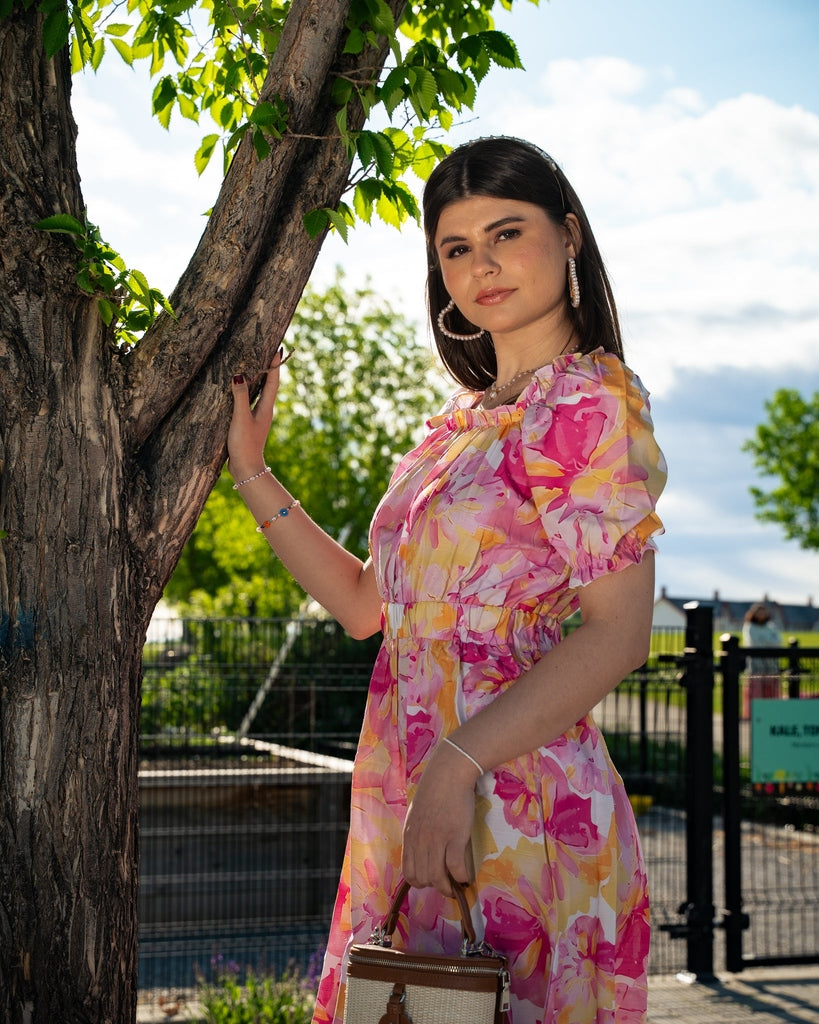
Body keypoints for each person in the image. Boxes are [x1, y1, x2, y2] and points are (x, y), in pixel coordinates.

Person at [228, 136, 667, 1024]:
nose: (481, 265)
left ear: (570, 236)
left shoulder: (583, 408)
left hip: (518, 800)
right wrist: (251, 470)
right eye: (456, 248)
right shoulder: (460, 428)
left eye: (507, 233)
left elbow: (618, 634)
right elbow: (364, 609)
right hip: (412, 799)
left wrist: (453, 769)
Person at [742, 602, 782, 715]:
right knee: (756, 691)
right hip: (756, 665)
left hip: (772, 666)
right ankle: (754, 714)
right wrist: (769, 640)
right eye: (759, 612)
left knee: (772, 691)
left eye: (763, 612)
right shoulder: (749, 627)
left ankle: (771, 714)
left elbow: (778, 642)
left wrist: (764, 640)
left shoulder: (772, 626)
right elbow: (754, 643)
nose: (761, 614)